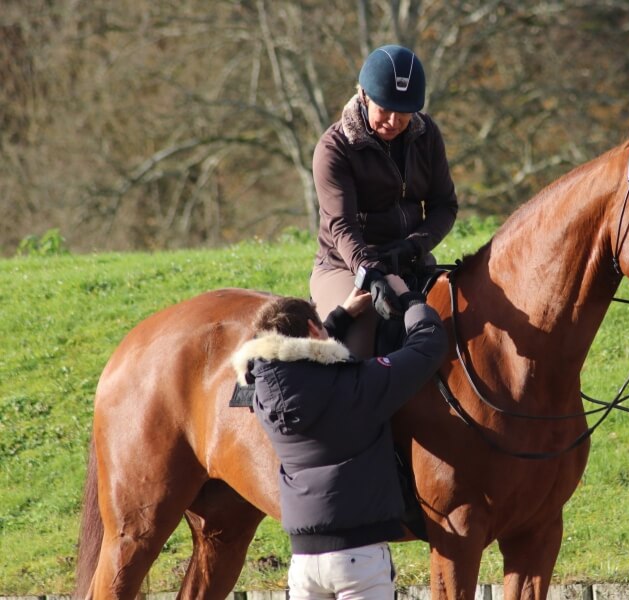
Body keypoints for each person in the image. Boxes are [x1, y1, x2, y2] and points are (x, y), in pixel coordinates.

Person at [232, 275, 448, 600]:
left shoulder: (260, 394)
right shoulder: (358, 384)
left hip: (303, 564)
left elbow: (300, 361)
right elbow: (428, 345)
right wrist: (412, 300)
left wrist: (338, 318)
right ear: (313, 330)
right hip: (358, 560)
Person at [310, 43, 458, 357]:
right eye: (384, 109)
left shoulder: (427, 135)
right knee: (356, 349)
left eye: (403, 112)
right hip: (348, 267)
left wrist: (414, 245)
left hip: (411, 260)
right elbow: (342, 227)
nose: (393, 121)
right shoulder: (334, 149)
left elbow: (444, 205)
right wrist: (372, 274)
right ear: (364, 96)